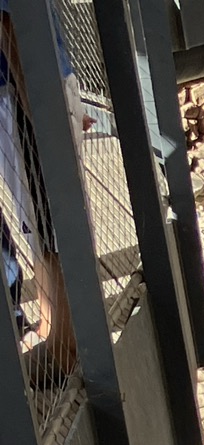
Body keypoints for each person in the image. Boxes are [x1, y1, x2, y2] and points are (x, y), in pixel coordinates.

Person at [0, 0, 75, 374]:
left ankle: (64, 347)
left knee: (46, 223)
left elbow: (8, 25)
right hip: (36, 84)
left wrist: (37, 107)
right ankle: (53, 331)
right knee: (40, 225)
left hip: (22, 91)